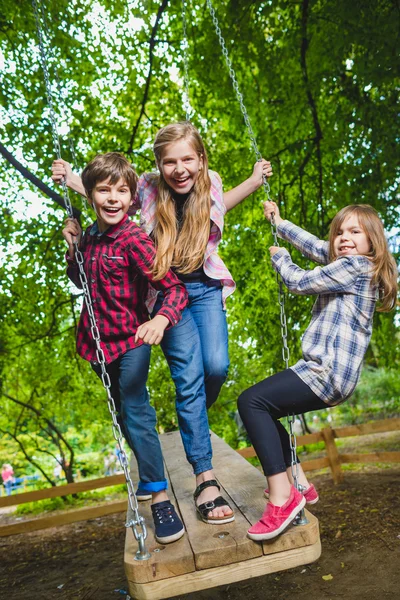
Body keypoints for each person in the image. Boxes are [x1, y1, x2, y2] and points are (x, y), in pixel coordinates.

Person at [52, 121, 272, 523]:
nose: (179, 168)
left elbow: (222, 204)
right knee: (187, 379)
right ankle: (205, 479)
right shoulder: (150, 189)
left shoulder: (212, 183)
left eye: (188, 159)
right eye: (170, 161)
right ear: (158, 165)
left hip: (204, 288)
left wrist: (255, 182)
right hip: (165, 295)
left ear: (201, 161)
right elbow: (112, 197)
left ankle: (194, 416)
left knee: (216, 367)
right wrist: (72, 181)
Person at [62, 151, 203, 544]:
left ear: (131, 198)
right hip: (95, 344)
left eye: (121, 191)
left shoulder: (134, 240)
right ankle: (149, 471)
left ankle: (160, 498)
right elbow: (80, 280)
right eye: (104, 191)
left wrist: (159, 320)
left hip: (131, 341)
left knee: (136, 408)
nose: (112, 199)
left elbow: (173, 289)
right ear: (90, 195)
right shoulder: (88, 235)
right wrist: (72, 248)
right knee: (122, 412)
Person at [238, 202, 398, 541]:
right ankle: (299, 482)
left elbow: (299, 281)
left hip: (325, 373)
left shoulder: (356, 267)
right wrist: (280, 222)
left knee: (251, 402)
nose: (344, 238)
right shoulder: (350, 264)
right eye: (340, 231)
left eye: (355, 231)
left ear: (374, 241)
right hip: (329, 375)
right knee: (267, 410)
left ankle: (282, 498)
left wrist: (280, 258)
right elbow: (316, 246)